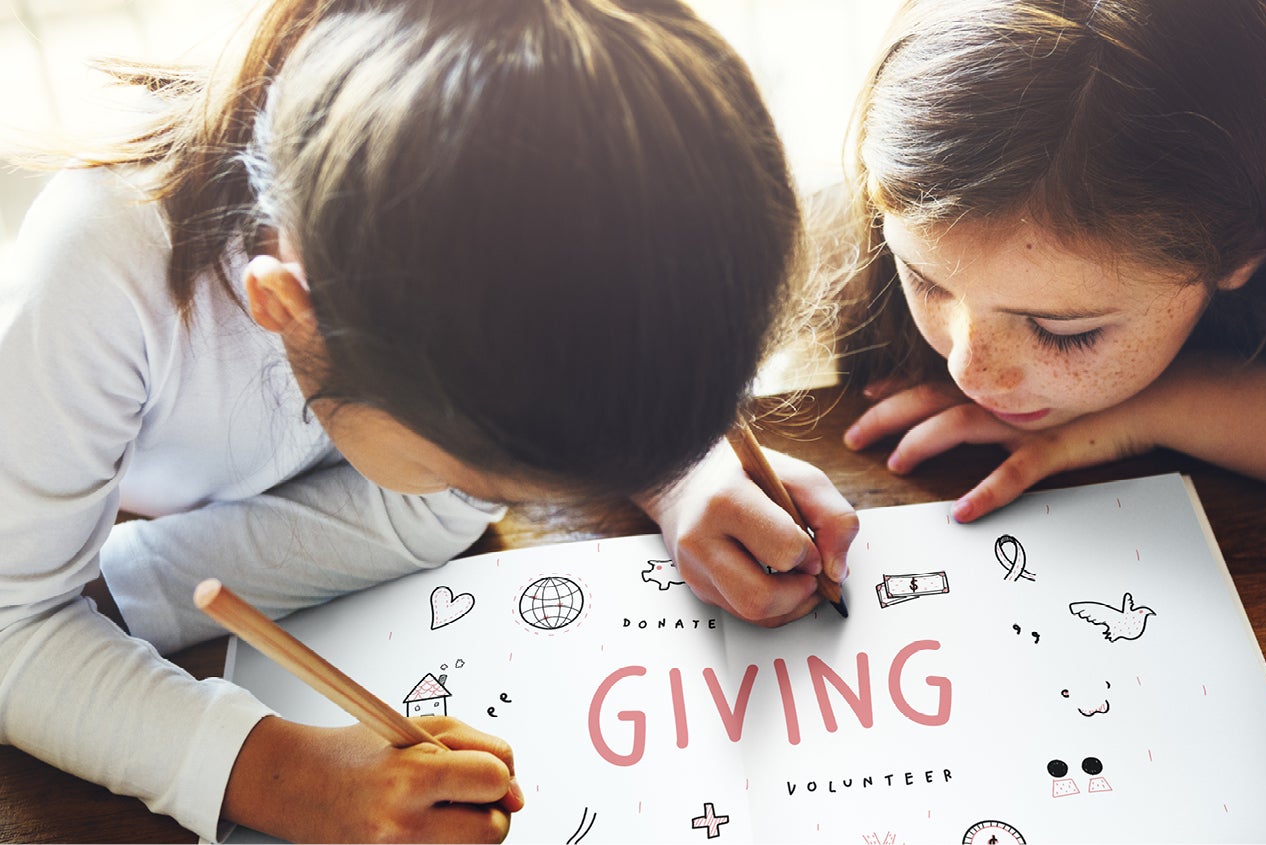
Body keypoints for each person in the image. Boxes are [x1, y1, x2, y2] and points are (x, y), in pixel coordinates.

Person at [0, 0, 856, 841]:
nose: (484, 498)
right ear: (286, 310)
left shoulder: (560, 135)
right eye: (474, 473)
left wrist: (677, 471)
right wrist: (277, 772)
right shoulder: (97, 270)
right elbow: (10, 628)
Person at [830, 0, 1266, 537]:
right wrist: (719, 480)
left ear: (1243, 244)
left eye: (1066, 332)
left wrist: (1164, 403)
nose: (970, 371)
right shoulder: (888, 182)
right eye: (925, 279)